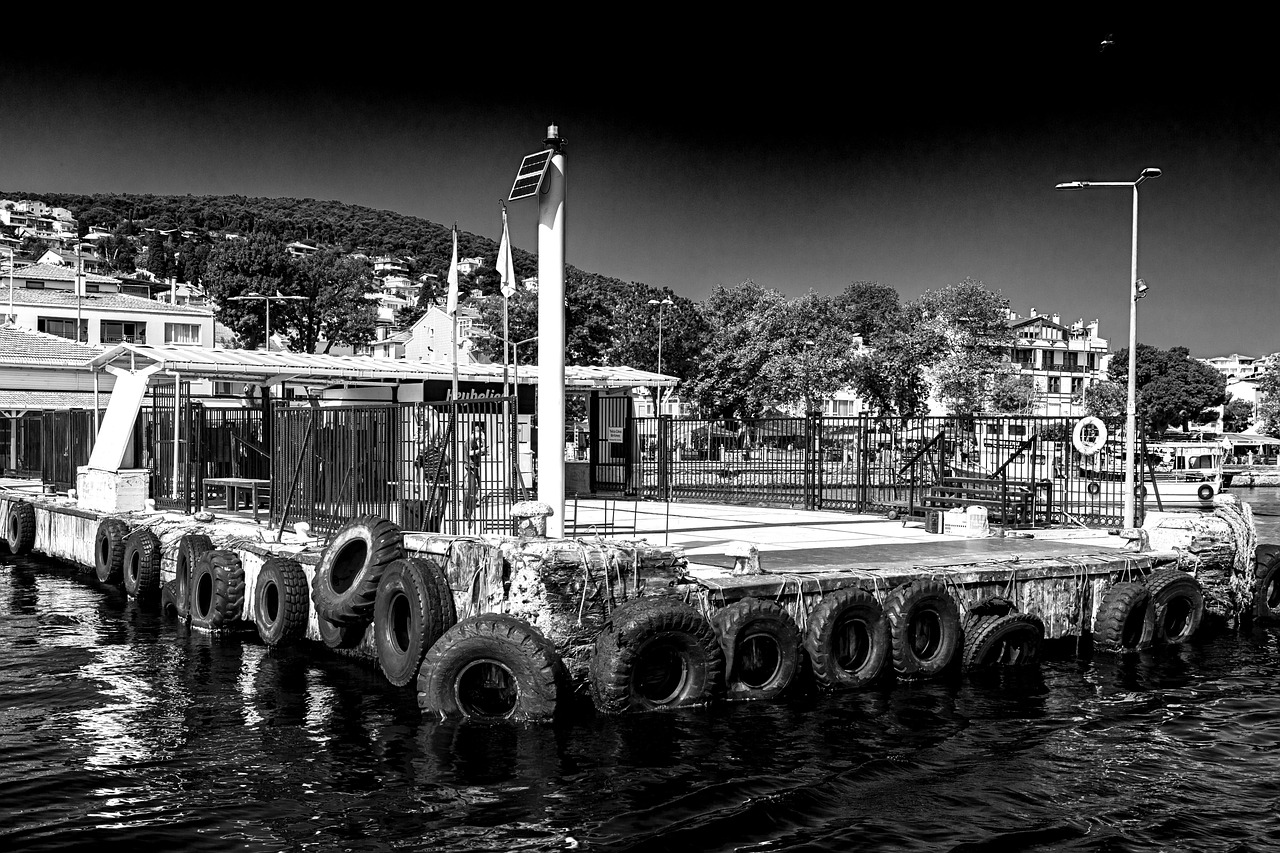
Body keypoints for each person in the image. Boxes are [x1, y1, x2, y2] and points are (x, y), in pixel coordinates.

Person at [413, 409, 450, 532]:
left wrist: (442, 450)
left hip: (443, 480)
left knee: (441, 507)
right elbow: (418, 469)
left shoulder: (437, 450)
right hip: (435, 481)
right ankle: (432, 529)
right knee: (436, 507)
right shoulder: (423, 452)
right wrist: (417, 484)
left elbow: (448, 461)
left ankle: (435, 528)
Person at [464, 421, 486, 523]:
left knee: (475, 489)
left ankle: (470, 511)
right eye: (478, 431)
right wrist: (480, 450)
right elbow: (470, 453)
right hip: (470, 467)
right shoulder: (470, 440)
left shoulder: (476, 441)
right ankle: (467, 512)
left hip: (475, 466)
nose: (480, 433)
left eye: (481, 431)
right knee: (469, 490)